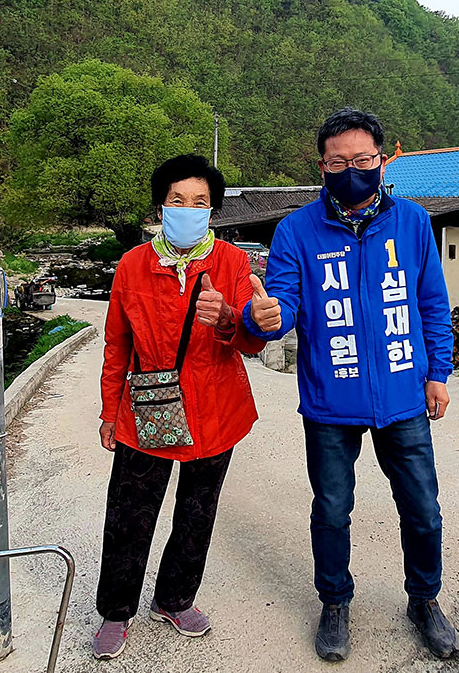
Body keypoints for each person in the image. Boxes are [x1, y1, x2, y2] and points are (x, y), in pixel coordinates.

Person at [242, 108, 458, 660]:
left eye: (363, 160)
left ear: (381, 161)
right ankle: (334, 603)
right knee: (332, 511)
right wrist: (261, 318)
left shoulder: (411, 223)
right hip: (330, 401)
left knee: (424, 510)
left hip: (404, 394)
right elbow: (282, 305)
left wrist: (438, 372)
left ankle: (425, 600)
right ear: (322, 167)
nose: (352, 170)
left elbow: (432, 303)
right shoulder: (296, 230)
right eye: (339, 162)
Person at [93, 154, 265, 660]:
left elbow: (251, 343)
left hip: (216, 411)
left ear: (212, 211)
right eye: (177, 200)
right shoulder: (133, 264)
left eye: (199, 202)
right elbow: (116, 344)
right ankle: (115, 611)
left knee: (197, 513)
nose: (188, 209)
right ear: (161, 206)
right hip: (145, 410)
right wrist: (108, 410)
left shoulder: (232, 263)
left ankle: (174, 599)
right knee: (129, 515)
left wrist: (231, 318)